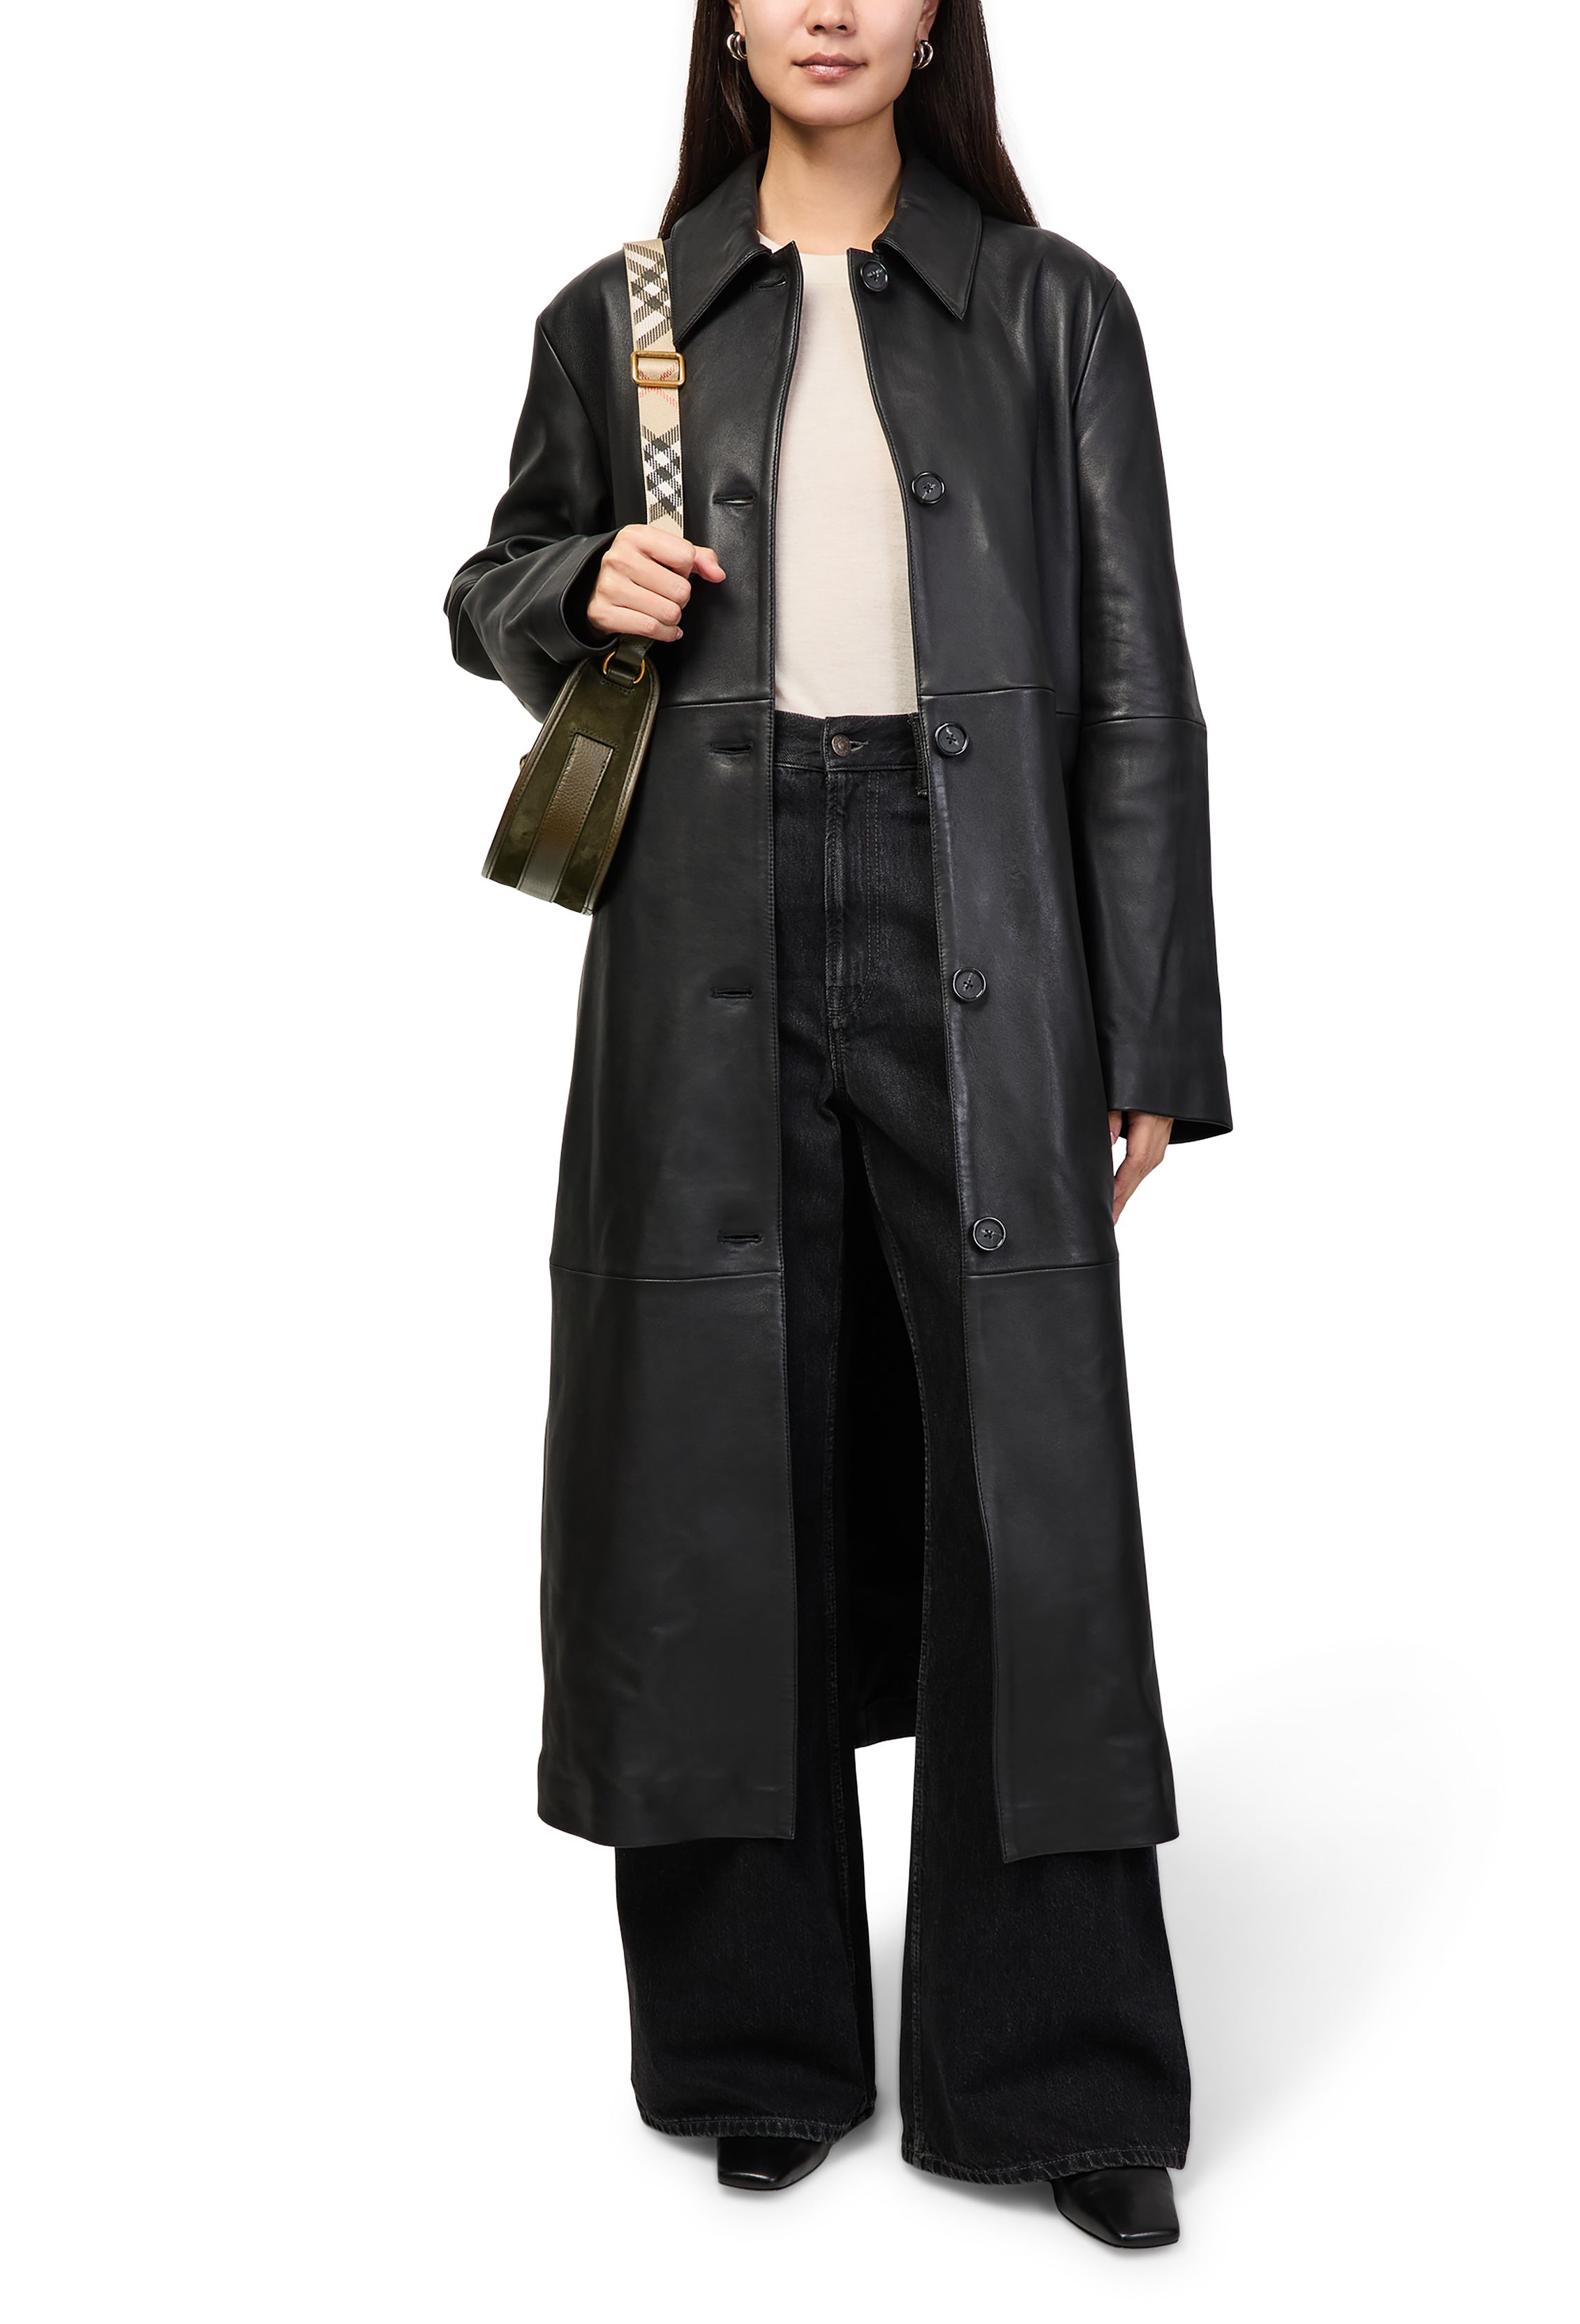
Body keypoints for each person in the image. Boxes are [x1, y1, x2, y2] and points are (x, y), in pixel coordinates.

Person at [445, 0, 1230, 2251]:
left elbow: (1139, 690)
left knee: (1028, 1482)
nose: (827, 8)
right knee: (713, 1461)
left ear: (932, 19)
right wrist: (567, 588)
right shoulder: (619, 316)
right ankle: (751, 2047)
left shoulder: (1054, 308)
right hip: (703, 912)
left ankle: (1059, 2068)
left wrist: (1149, 1022)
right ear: (724, 15)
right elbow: (488, 585)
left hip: (983, 905)